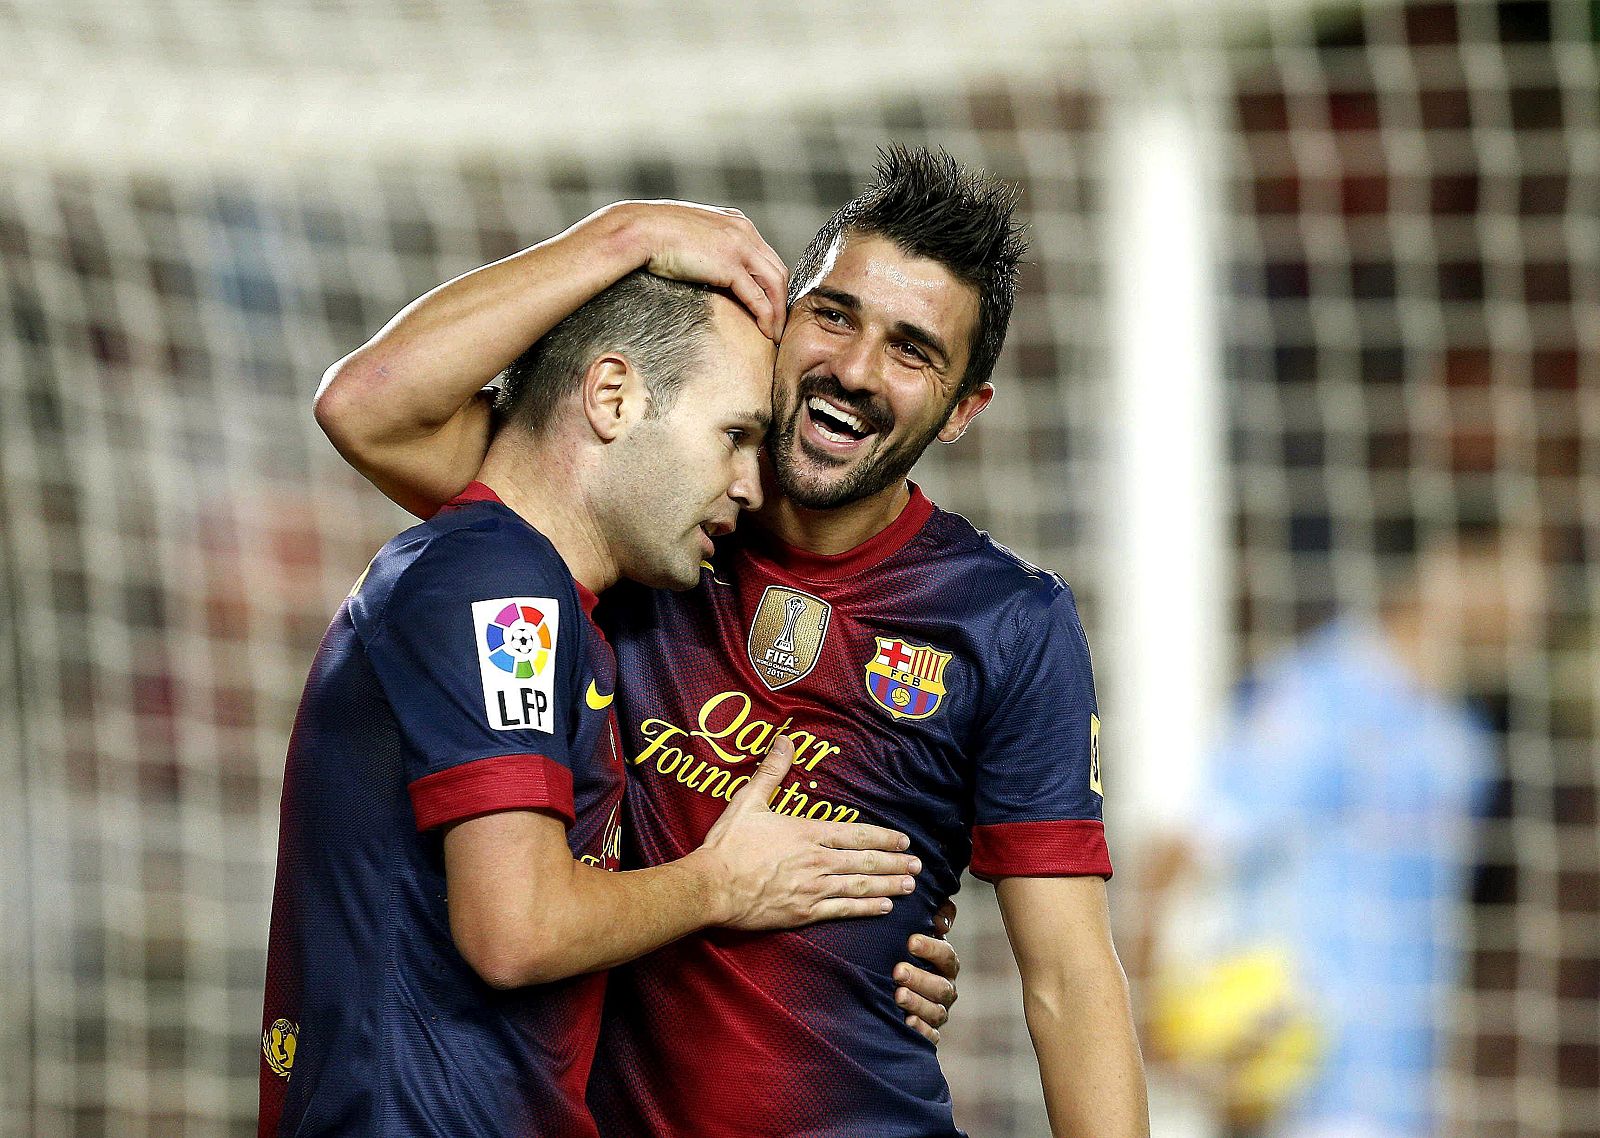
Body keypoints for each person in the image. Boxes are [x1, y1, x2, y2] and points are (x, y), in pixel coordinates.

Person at [319, 146, 1150, 1137]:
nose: (854, 369)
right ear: (782, 312)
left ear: (964, 409)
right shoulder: (638, 516)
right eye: (834, 314)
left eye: (912, 350)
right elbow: (371, 408)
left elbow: (1065, 979)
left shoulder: (1008, 622)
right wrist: (621, 235)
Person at [261, 267, 932, 1137]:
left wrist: (860, 952)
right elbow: (517, 928)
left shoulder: (551, 599)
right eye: (734, 434)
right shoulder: (498, 583)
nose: (750, 485)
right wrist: (722, 884)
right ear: (612, 396)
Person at [1136, 508, 1541, 1137]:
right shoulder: (1317, 699)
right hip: (1296, 1092)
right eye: (1517, 577)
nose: (1535, 606)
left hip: (1405, 1100)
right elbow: (1175, 855)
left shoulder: (1466, 743)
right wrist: (1146, 1021)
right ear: (1446, 570)